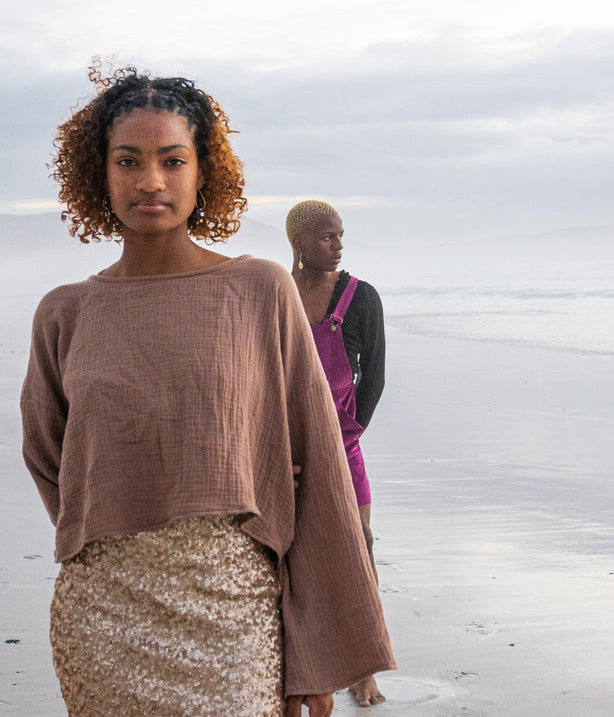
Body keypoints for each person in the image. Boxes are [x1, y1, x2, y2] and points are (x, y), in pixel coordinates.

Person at [21, 64, 393, 717]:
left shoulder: (259, 289)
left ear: (203, 173)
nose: (150, 181)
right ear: (98, 175)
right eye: (128, 160)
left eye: (172, 160)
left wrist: (313, 651)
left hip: (234, 613)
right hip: (101, 616)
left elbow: (318, 468)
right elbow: (49, 459)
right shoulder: (65, 313)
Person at [285, 200, 388, 708]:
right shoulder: (275, 293)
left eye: (341, 236)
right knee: (287, 546)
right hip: (283, 441)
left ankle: (363, 668)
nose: (339, 246)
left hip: (343, 442)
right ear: (299, 244)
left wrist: (350, 432)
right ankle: (295, 660)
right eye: (328, 238)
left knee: (359, 543)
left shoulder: (360, 296)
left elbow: (376, 375)